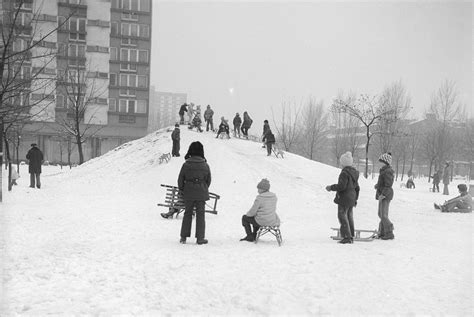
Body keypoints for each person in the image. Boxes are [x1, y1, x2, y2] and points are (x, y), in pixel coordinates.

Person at [178, 141, 212, 245]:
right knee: (200, 215)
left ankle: (183, 237)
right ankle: (200, 238)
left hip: (189, 191)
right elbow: (208, 180)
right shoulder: (205, 165)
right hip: (201, 192)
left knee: (187, 213)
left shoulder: (186, 164)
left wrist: (183, 190)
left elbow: (180, 179)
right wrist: (203, 188)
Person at [325, 152, 360, 244]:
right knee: (349, 216)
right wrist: (355, 199)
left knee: (342, 216)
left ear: (344, 163)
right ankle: (350, 235)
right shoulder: (354, 173)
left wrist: (331, 187)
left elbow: (341, 186)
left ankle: (346, 236)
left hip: (344, 198)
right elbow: (357, 188)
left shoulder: (344, 173)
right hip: (352, 197)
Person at [374, 152, 395, 240]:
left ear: (385, 162)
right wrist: (377, 185)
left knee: (383, 215)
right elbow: (383, 182)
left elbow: (388, 184)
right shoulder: (384, 170)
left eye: (381, 161)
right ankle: (382, 232)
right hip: (382, 193)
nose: (380, 163)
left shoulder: (387, 171)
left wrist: (383, 194)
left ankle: (389, 232)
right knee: (381, 214)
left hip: (385, 194)